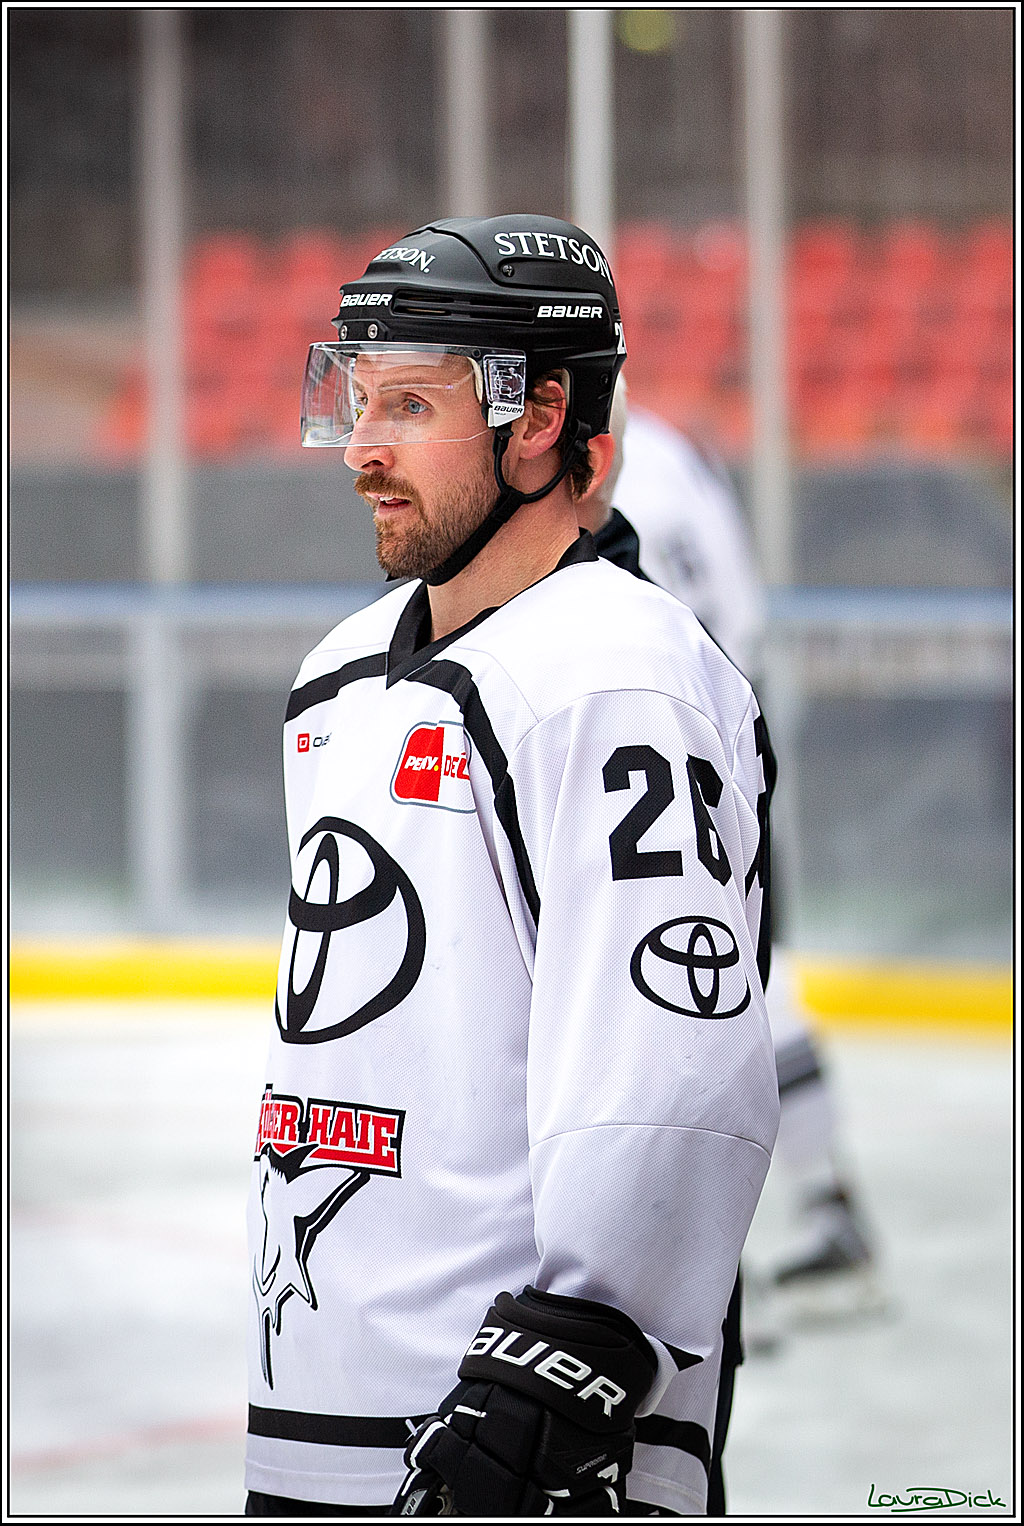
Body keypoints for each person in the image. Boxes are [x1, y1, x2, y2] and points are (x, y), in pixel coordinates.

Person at [245, 215, 779, 1518]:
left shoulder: (620, 672)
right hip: (322, 1399)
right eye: (356, 399)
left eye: (410, 405)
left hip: (529, 1441)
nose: (363, 447)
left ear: (537, 417)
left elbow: (677, 1050)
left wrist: (572, 1357)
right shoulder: (340, 674)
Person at [577, 383, 879, 1319]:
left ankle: (717, 1261)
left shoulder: (601, 469)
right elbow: (741, 609)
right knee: (743, 966)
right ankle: (823, 1203)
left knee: (685, 986)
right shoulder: (682, 455)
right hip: (723, 716)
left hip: (656, 732)